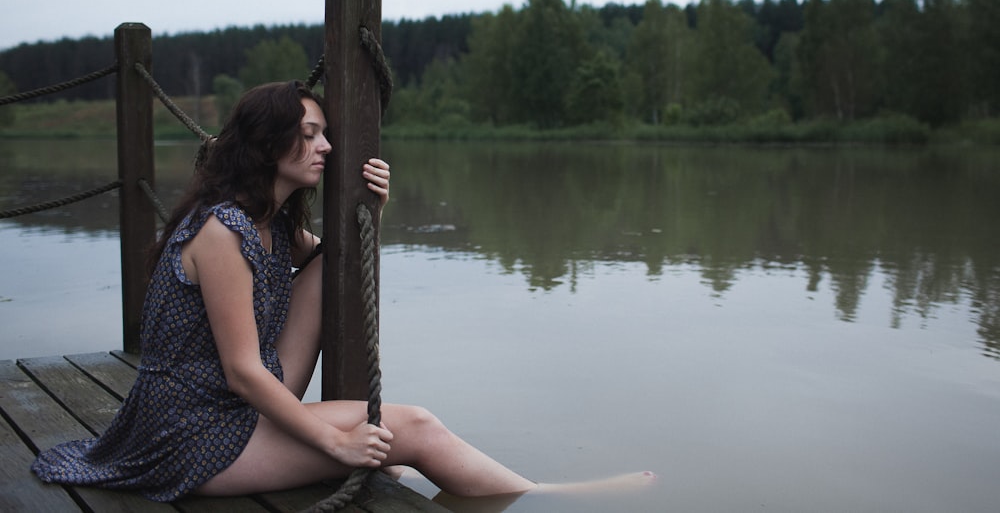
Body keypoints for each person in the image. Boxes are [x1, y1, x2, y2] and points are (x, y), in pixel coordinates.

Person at [31, 81, 654, 505]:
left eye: (325, 132)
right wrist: (334, 439)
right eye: (311, 133)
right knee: (410, 425)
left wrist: (369, 209)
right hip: (189, 435)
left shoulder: (270, 226)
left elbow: (338, 261)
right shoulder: (224, 229)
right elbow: (244, 371)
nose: (327, 145)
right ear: (268, 144)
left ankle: (447, 477)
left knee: (330, 269)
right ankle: (541, 497)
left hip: (230, 415)